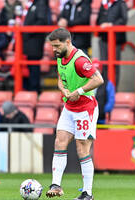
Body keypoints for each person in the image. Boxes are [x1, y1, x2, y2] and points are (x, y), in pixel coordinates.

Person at [46, 28, 104, 200]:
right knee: (60, 141)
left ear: (68, 42)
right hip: (69, 107)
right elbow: (60, 77)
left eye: (57, 46)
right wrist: (62, 88)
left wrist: (79, 90)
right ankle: (56, 185)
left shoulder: (80, 60)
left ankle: (88, 193)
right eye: (52, 46)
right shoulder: (61, 57)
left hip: (85, 109)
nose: (54, 50)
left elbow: (98, 79)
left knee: (82, 147)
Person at [96, 0, 128, 90]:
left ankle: (113, 89)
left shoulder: (121, 3)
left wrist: (111, 25)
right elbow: (99, 19)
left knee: (114, 65)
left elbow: (124, 19)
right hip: (104, 38)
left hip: (116, 39)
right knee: (104, 65)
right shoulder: (103, 3)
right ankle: (104, 89)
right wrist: (102, 24)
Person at [21, 0, 51, 93]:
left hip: (34, 41)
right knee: (30, 66)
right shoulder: (33, 4)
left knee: (34, 67)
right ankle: (30, 88)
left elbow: (42, 21)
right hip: (29, 41)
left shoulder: (41, 3)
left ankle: (34, 90)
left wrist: (27, 31)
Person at [93, 60, 115, 124]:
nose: (95, 72)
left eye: (97, 69)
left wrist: (102, 111)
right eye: (94, 70)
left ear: (101, 71)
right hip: (88, 118)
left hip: (101, 119)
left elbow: (111, 100)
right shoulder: (86, 82)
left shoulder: (108, 84)